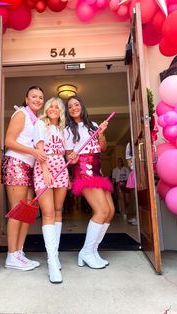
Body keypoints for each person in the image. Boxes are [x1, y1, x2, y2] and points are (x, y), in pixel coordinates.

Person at [64, 96, 115, 269]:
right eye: (70, 106)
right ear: (68, 111)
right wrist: (72, 158)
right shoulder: (68, 130)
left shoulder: (93, 125)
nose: (73, 108)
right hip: (84, 171)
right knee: (101, 211)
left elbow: (104, 148)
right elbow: (68, 158)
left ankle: (92, 250)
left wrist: (101, 133)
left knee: (110, 211)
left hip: (97, 170)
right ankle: (86, 252)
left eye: (76, 104)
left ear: (82, 106)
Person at [2, 86, 46, 271]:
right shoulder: (21, 114)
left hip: (28, 167)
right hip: (16, 164)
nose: (37, 99)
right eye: (34, 96)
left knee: (27, 212)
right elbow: (8, 141)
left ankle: (19, 252)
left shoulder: (36, 120)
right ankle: (11, 256)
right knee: (17, 210)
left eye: (40, 97)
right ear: (26, 99)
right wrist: (33, 151)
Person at [33, 97, 69, 283]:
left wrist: (75, 156)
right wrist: (45, 170)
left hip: (62, 167)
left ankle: (54, 255)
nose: (53, 109)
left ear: (61, 111)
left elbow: (68, 152)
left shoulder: (64, 129)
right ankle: (52, 262)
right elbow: (39, 149)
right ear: (46, 109)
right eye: (51, 106)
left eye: (57, 107)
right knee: (47, 213)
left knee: (57, 211)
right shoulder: (40, 124)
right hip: (44, 167)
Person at [125, 142, 137, 226]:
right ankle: (138, 218)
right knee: (138, 197)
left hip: (144, 170)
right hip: (136, 172)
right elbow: (129, 162)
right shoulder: (129, 145)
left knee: (139, 197)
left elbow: (129, 162)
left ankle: (138, 218)